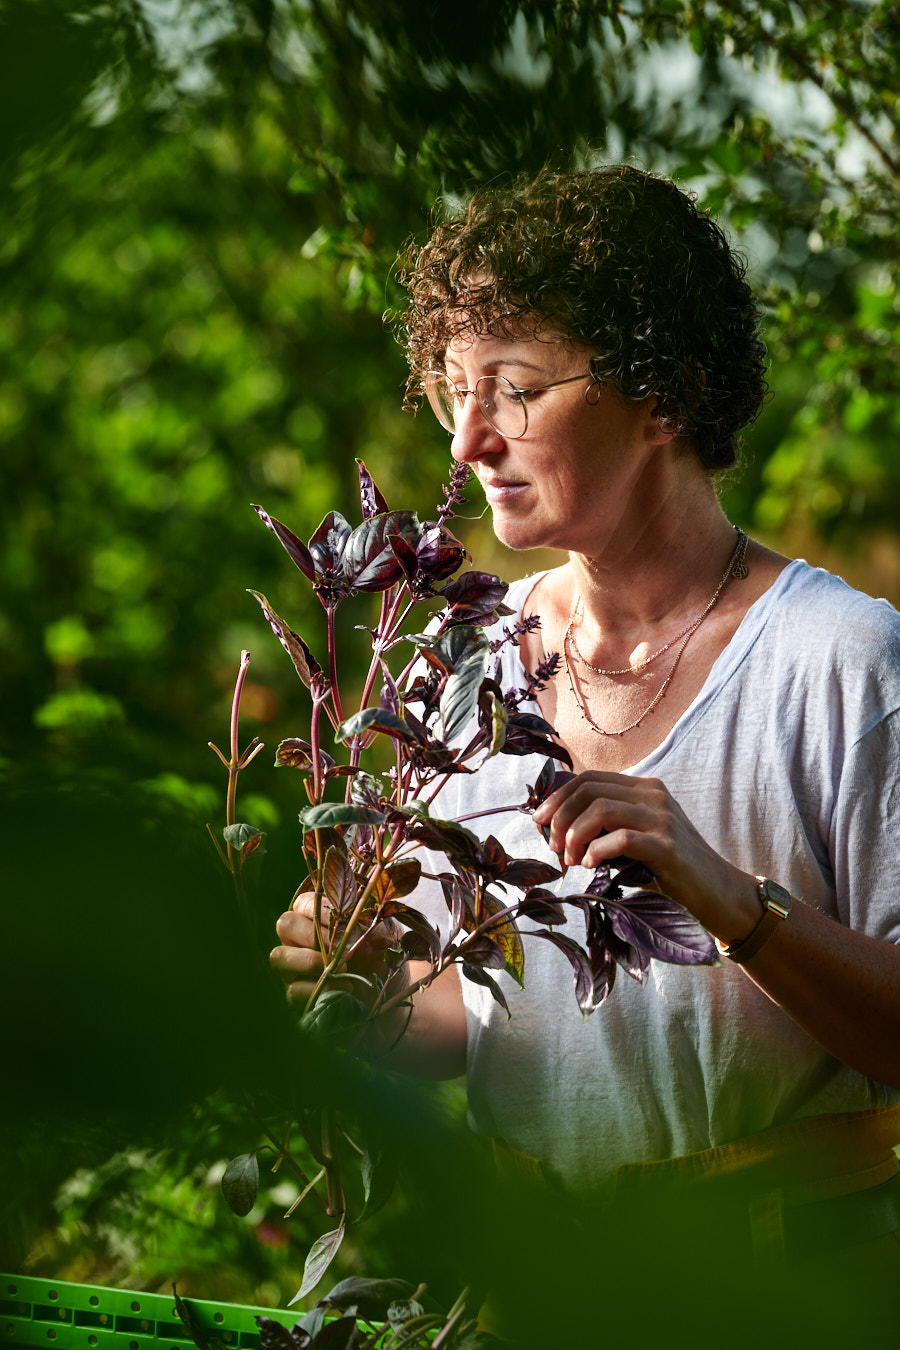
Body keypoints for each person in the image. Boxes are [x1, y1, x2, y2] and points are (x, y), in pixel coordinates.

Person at [270, 165, 900, 1287]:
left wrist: (734, 903)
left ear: (662, 395)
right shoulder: (462, 666)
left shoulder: (842, 660)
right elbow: (481, 1026)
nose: (467, 440)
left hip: (794, 1289)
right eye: (450, 386)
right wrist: (365, 998)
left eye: (510, 389)